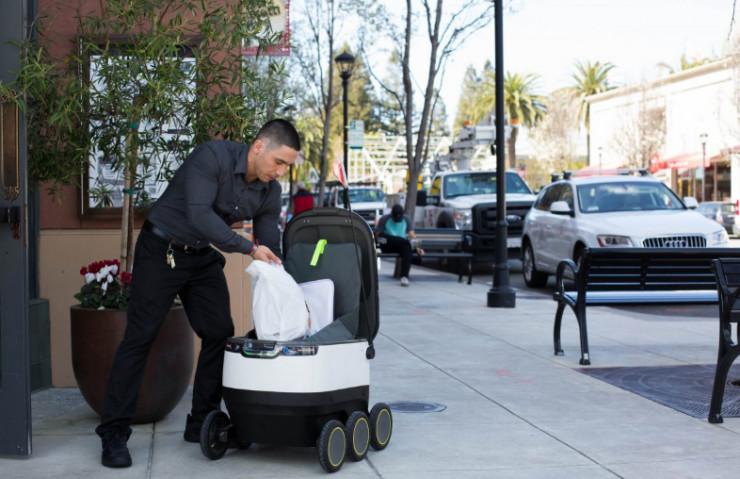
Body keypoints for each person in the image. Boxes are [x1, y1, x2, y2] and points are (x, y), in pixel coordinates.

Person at [95, 119, 300, 468]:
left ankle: (201, 421)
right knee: (140, 336)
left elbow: (268, 242)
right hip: (162, 248)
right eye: (279, 162)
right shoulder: (211, 158)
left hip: (200, 256)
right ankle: (114, 433)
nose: (281, 171)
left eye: (288, 167)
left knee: (219, 331)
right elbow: (201, 216)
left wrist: (284, 281)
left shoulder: (269, 191)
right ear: (258, 147)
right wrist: (249, 249)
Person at [375, 204, 423, 287]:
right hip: (387, 244)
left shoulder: (406, 219)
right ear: (392, 214)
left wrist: (418, 247)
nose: (397, 220)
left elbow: (412, 235)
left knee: (407, 248)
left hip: (400, 246)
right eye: (395, 218)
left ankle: (404, 277)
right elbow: (378, 236)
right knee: (405, 243)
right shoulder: (384, 219)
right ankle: (405, 243)